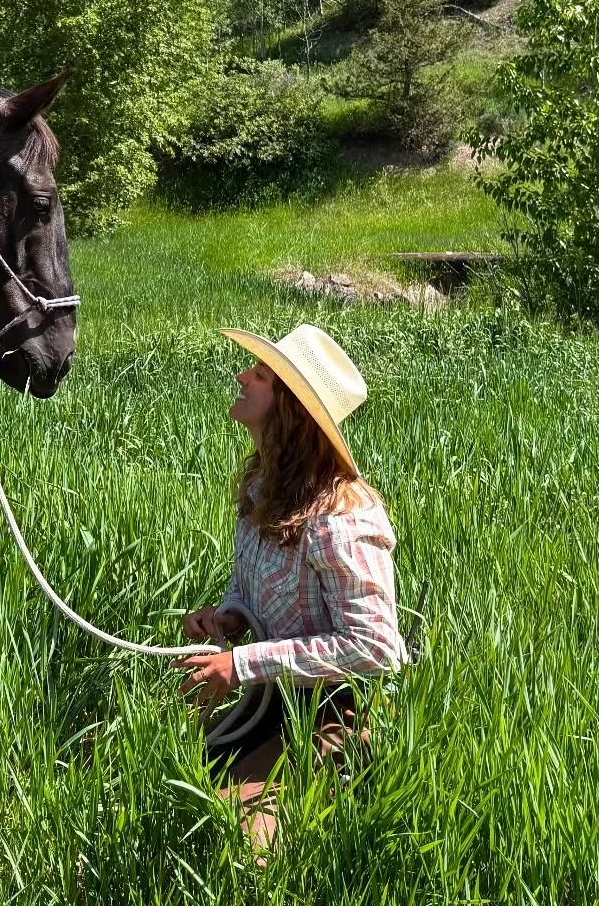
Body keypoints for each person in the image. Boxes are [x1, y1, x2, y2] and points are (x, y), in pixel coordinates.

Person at [177, 324, 407, 851]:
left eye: (259, 376)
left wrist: (241, 665)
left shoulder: (343, 518)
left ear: (290, 411)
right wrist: (230, 617)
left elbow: (375, 649)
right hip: (272, 697)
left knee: (243, 838)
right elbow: (249, 586)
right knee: (171, 782)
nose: (241, 377)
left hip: (336, 708)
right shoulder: (262, 486)